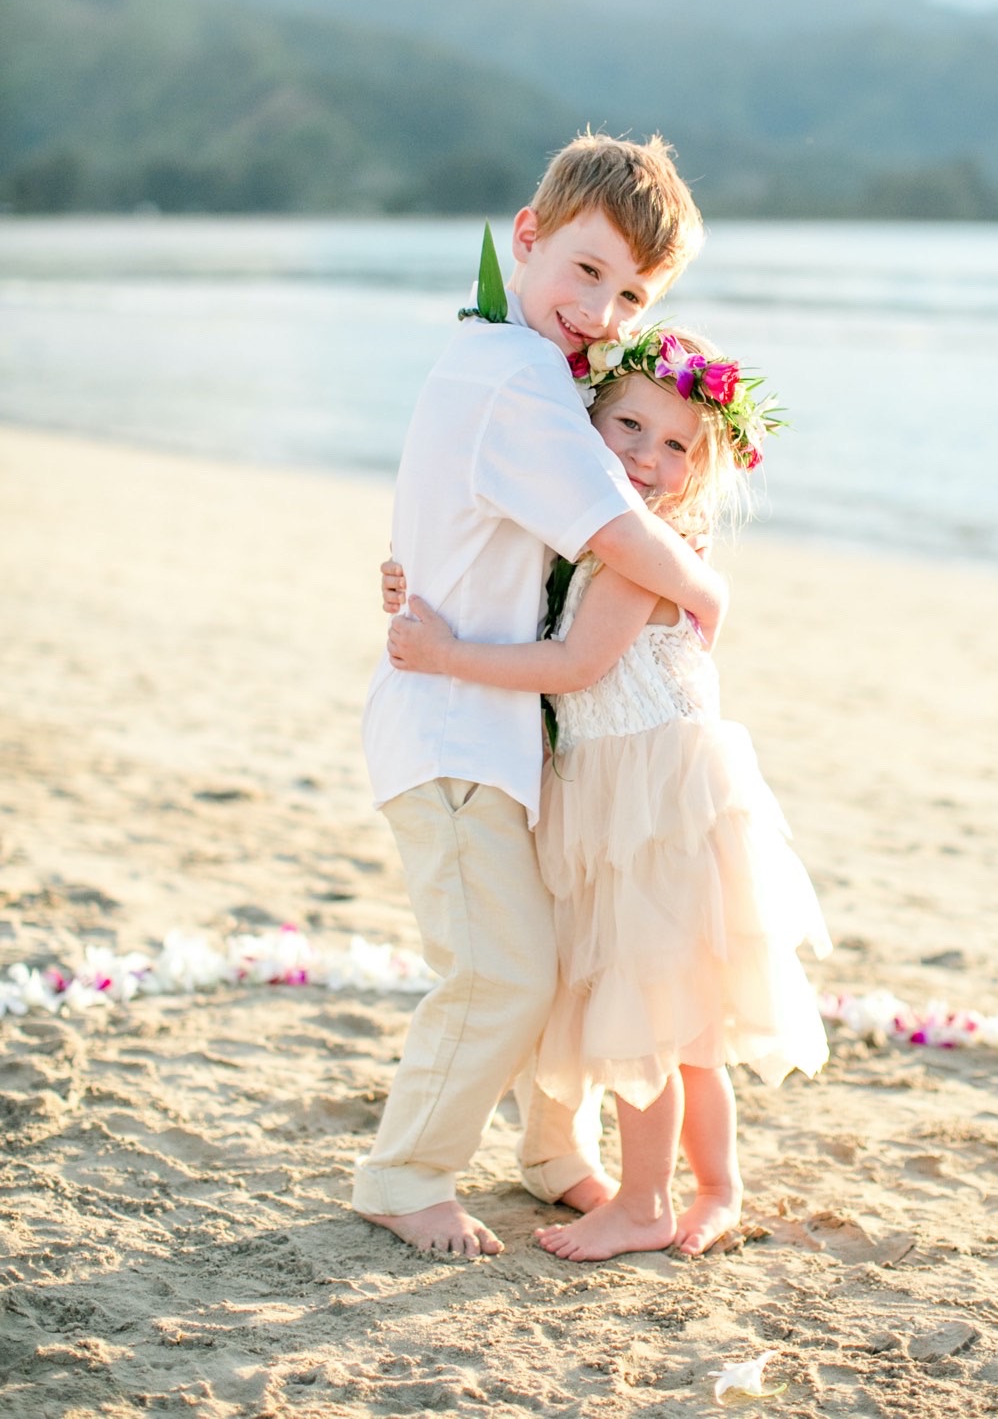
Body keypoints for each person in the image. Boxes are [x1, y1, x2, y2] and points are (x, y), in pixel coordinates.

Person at [355, 132, 726, 1258]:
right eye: (586, 272)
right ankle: (405, 1174)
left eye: (631, 293)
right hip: (457, 731)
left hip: (489, 727)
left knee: (550, 962)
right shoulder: (518, 379)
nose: (604, 310)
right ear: (527, 236)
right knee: (504, 971)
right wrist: (706, 588)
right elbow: (620, 531)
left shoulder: (498, 362)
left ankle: (553, 1155)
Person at [387, 324, 831, 1261]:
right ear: (584, 423)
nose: (646, 456)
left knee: (653, 1009)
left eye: (676, 446)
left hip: (652, 800)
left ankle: (647, 1203)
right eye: (628, 426)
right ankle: (715, 1188)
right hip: (640, 793)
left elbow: (576, 664)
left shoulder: (645, 550)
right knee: (684, 1011)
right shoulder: (611, 542)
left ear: (701, 473)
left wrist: (442, 654)